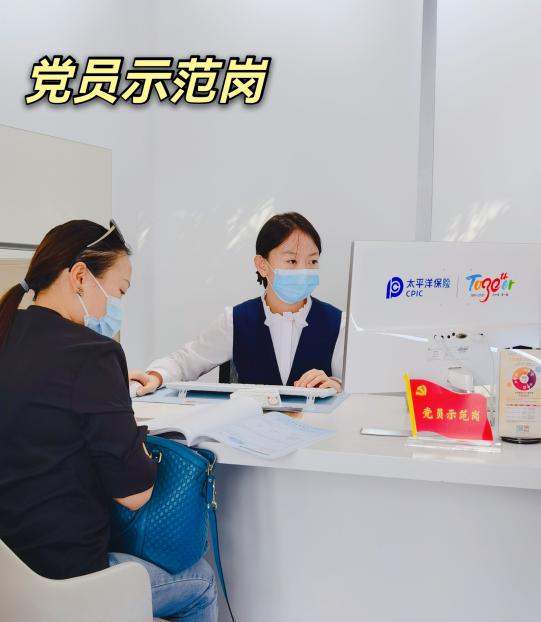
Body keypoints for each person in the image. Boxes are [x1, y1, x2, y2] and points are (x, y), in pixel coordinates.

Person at [0, 219, 217, 622]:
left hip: (8, 579)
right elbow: (135, 494)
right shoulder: (93, 354)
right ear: (81, 276)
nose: (115, 306)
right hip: (66, 581)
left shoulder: (8, 331)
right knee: (201, 582)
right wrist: (118, 410)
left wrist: (107, 395)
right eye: (119, 291)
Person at [131, 212, 344, 396]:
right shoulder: (236, 320)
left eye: (312, 261)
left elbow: (357, 386)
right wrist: (156, 375)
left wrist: (337, 385)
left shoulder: (338, 323)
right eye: (292, 261)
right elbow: (184, 362)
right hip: (249, 428)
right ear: (262, 265)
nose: (304, 271)